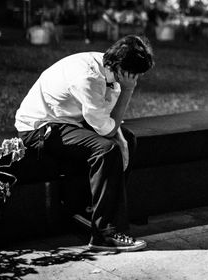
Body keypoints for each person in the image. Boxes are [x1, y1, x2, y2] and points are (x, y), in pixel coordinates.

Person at [14, 35, 155, 252]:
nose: (135, 79)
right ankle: (103, 235)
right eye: (133, 75)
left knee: (128, 140)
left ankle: (92, 210)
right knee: (107, 150)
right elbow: (106, 128)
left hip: (69, 121)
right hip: (39, 128)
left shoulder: (107, 67)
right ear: (121, 69)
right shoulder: (88, 78)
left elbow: (108, 120)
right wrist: (128, 91)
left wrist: (123, 141)